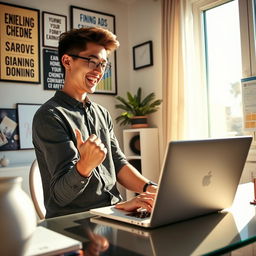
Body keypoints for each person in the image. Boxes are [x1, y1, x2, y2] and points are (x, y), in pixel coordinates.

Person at [32, 27, 157, 218]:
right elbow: (60, 197)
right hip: (76, 221)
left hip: (114, 212)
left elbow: (118, 164)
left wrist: (152, 189)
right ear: (67, 61)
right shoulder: (49, 116)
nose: (99, 72)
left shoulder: (102, 114)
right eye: (92, 62)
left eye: (103, 65)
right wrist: (85, 165)